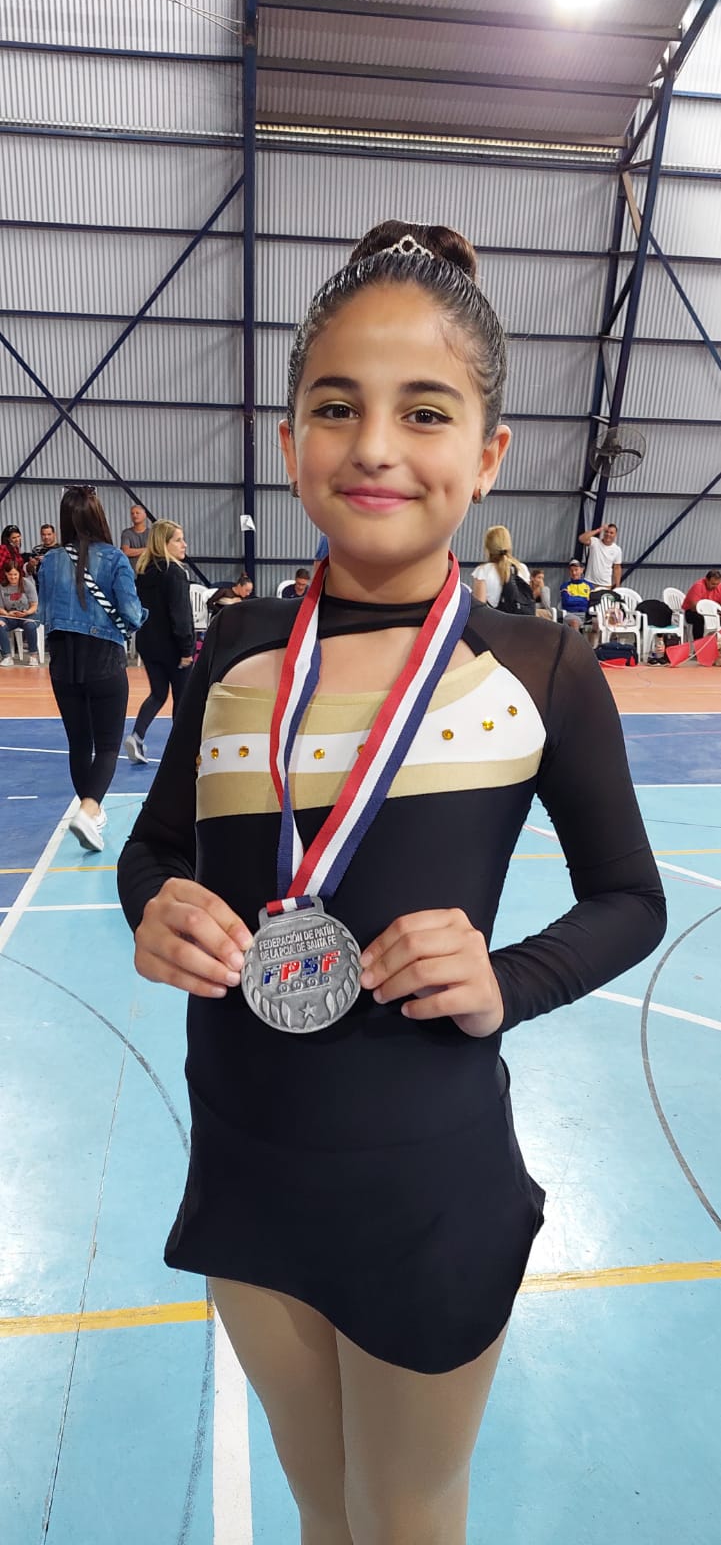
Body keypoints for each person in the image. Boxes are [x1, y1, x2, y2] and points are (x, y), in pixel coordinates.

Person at [117, 219, 666, 1545]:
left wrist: (508, 979)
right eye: (335, 407)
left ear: (486, 454)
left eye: (424, 412)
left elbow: (629, 898)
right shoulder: (233, 653)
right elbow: (156, 848)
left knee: (405, 1519)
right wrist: (154, 907)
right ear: (289, 439)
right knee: (322, 1513)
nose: (373, 445)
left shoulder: (537, 669)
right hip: (246, 1170)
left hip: (426, 1189)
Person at [37, 485, 145, 852]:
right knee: (109, 745)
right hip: (103, 659)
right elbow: (131, 614)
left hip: (62, 661)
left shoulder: (49, 561)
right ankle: (88, 810)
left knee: (79, 743)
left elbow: (43, 613)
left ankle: (90, 812)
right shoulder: (114, 559)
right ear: (99, 517)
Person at [124, 520, 194, 765]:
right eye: (178, 540)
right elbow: (180, 615)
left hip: (148, 644)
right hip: (172, 647)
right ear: (164, 544)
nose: (184, 544)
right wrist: (187, 649)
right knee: (183, 700)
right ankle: (180, 753)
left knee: (158, 693)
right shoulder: (175, 573)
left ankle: (137, 736)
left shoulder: (145, 572)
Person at [471, 524, 530, 608]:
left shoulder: (483, 571)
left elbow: (479, 608)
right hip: (520, 616)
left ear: (487, 547)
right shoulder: (522, 569)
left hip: (493, 616)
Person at [0, 563, 40, 666]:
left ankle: (33, 655)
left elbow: (34, 606)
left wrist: (26, 612)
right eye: (10, 574)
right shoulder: (1, 586)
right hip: (10, 616)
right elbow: (0, 608)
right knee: (0, 624)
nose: (13, 577)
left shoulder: (27, 583)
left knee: (30, 625)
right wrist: (8, 613)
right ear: (6, 574)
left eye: (15, 574)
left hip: (28, 614)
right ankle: (7, 656)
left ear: (19, 574)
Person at [577, 521, 622, 589]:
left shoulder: (617, 549)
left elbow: (617, 568)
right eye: (606, 532)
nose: (608, 534)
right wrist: (599, 530)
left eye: (611, 533)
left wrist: (617, 585)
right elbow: (581, 538)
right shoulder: (595, 542)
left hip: (605, 584)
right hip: (589, 582)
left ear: (615, 535)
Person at [682, 568, 721, 641]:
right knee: (699, 619)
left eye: (717, 584)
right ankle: (698, 643)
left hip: (713, 613)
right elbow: (694, 607)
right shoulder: (698, 586)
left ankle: (717, 641)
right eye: (713, 584)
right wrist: (708, 612)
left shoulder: (719, 587)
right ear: (706, 580)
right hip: (692, 612)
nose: (715, 586)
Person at [559, 558, 593, 630]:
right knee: (575, 622)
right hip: (570, 614)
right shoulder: (565, 586)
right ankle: (575, 638)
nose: (574, 573)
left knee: (597, 623)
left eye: (576, 570)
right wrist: (584, 599)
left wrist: (573, 598)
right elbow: (566, 602)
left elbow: (591, 602)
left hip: (586, 615)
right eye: (571, 571)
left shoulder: (589, 586)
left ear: (581, 570)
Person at [120, 503, 150, 572]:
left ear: (144, 515)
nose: (134, 515)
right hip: (132, 572)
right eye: (132, 513)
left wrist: (134, 551)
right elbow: (126, 552)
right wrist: (148, 550)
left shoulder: (151, 533)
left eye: (137, 513)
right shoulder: (126, 533)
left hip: (148, 571)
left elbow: (155, 551)